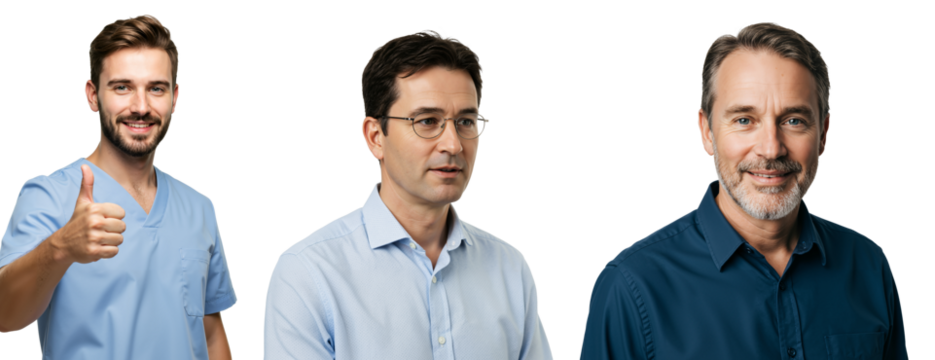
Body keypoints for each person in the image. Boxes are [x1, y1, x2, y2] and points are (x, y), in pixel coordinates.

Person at [578, 21, 907, 359]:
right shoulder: (631, 286)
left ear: (824, 134)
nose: (771, 149)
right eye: (744, 120)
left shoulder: (869, 266)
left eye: (794, 120)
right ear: (707, 132)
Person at [263, 28, 553, 359]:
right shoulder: (308, 274)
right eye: (427, 121)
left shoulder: (510, 268)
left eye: (465, 122)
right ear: (375, 137)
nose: (453, 145)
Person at [0, 13, 237, 360]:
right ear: (93, 96)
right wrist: (61, 247)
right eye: (122, 87)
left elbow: (210, 333)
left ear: (175, 98)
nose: (141, 107)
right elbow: (3, 317)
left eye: (156, 88)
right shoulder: (49, 195)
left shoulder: (199, 207)